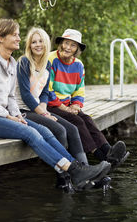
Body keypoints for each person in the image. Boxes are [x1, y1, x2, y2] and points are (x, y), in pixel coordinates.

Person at [0, 19, 111, 192]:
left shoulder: (11, 63)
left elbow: (11, 96)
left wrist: (16, 115)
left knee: (47, 131)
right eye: (15, 35)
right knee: (30, 132)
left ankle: (79, 172)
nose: (19, 38)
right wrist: (8, 116)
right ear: (1, 37)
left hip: (1, 115)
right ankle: (74, 170)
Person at [15, 27, 92, 190]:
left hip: (37, 109)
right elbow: (26, 95)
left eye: (41, 41)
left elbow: (44, 93)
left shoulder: (46, 64)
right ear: (29, 45)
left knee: (72, 129)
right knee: (60, 130)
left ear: (47, 43)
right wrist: (44, 113)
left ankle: (86, 171)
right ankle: (63, 178)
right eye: (34, 42)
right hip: (22, 110)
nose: (37, 45)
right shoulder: (24, 62)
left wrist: (44, 109)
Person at [47, 29, 129, 169]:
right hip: (50, 104)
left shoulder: (78, 65)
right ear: (61, 43)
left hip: (68, 104)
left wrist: (77, 105)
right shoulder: (51, 59)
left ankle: (109, 151)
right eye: (66, 43)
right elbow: (47, 90)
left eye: (73, 45)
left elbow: (79, 89)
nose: (68, 47)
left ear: (77, 50)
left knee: (88, 120)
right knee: (77, 121)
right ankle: (100, 157)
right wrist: (64, 108)